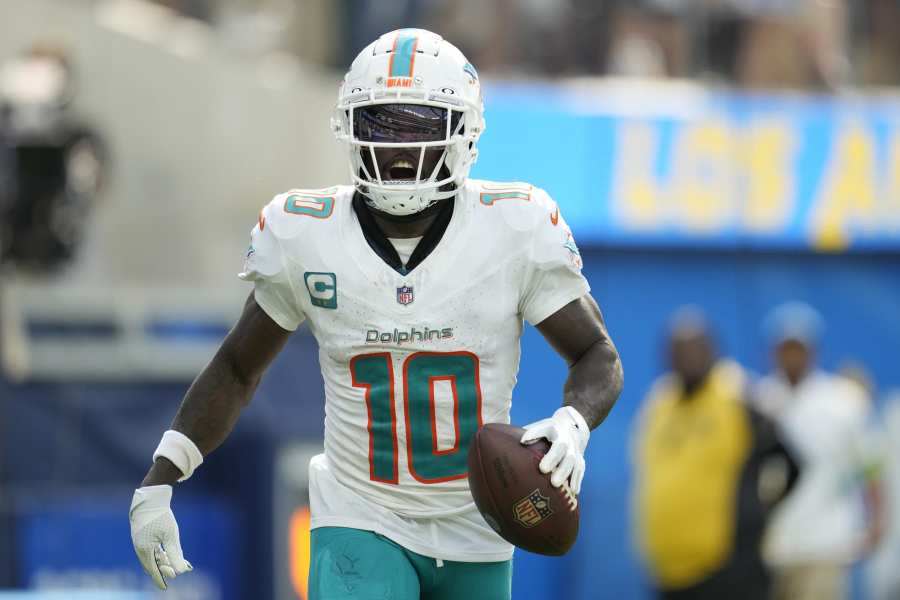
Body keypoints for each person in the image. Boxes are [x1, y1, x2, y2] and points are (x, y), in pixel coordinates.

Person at [128, 28, 624, 599]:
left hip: (479, 523)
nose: (399, 148)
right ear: (350, 128)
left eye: (419, 126)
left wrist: (573, 422)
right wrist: (160, 481)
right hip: (361, 514)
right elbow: (238, 367)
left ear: (462, 134)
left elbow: (596, 355)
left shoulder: (514, 228)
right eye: (382, 125)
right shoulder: (304, 234)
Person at [633, 308, 798, 600]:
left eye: (695, 348)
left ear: (713, 350)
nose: (686, 357)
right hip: (669, 572)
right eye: (678, 350)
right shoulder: (659, 402)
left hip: (729, 569)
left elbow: (791, 462)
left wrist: (760, 511)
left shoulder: (739, 395)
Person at [756, 302, 885, 600]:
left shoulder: (844, 401)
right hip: (770, 548)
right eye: (785, 348)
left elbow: (871, 465)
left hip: (825, 545)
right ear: (773, 352)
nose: (791, 356)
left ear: (813, 351)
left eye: (798, 348)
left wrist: (877, 521)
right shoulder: (760, 400)